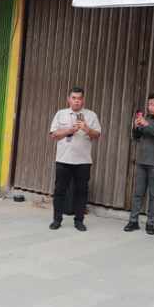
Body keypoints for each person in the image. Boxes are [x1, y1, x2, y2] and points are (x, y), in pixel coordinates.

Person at [48, 86, 101, 232]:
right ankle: (57, 220)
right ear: (69, 99)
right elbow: (53, 134)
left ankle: (79, 221)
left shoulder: (91, 115)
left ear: (83, 99)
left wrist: (86, 128)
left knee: (81, 191)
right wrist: (69, 130)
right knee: (60, 190)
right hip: (63, 159)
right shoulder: (61, 114)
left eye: (79, 98)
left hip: (83, 161)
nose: (76, 101)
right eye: (74, 98)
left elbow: (97, 135)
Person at [123, 92, 154, 235]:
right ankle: (133, 221)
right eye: (149, 105)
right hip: (142, 161)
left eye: (153, 105)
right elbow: (137, 136)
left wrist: (148, 125)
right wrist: (136, 127)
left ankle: (150, 223)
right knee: (138, 193)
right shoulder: (148, 118)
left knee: (153, 195)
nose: (150, 107)